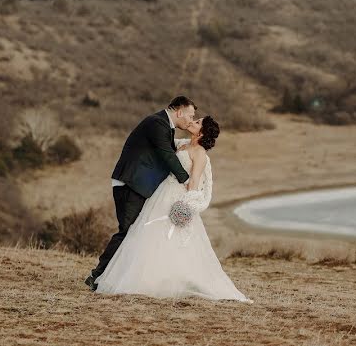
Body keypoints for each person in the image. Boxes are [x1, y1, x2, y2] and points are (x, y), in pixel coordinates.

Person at [93, 114, 249, 301]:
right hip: (161, 193)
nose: (193, 121)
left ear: (202, 132)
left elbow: (194, 183)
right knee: (148, 234)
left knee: (168, 237)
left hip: (175, 198)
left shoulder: (199, 153)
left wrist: (183, 204)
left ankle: (165, 280)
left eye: (198, 122)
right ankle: (147, 278)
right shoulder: (183, 145)